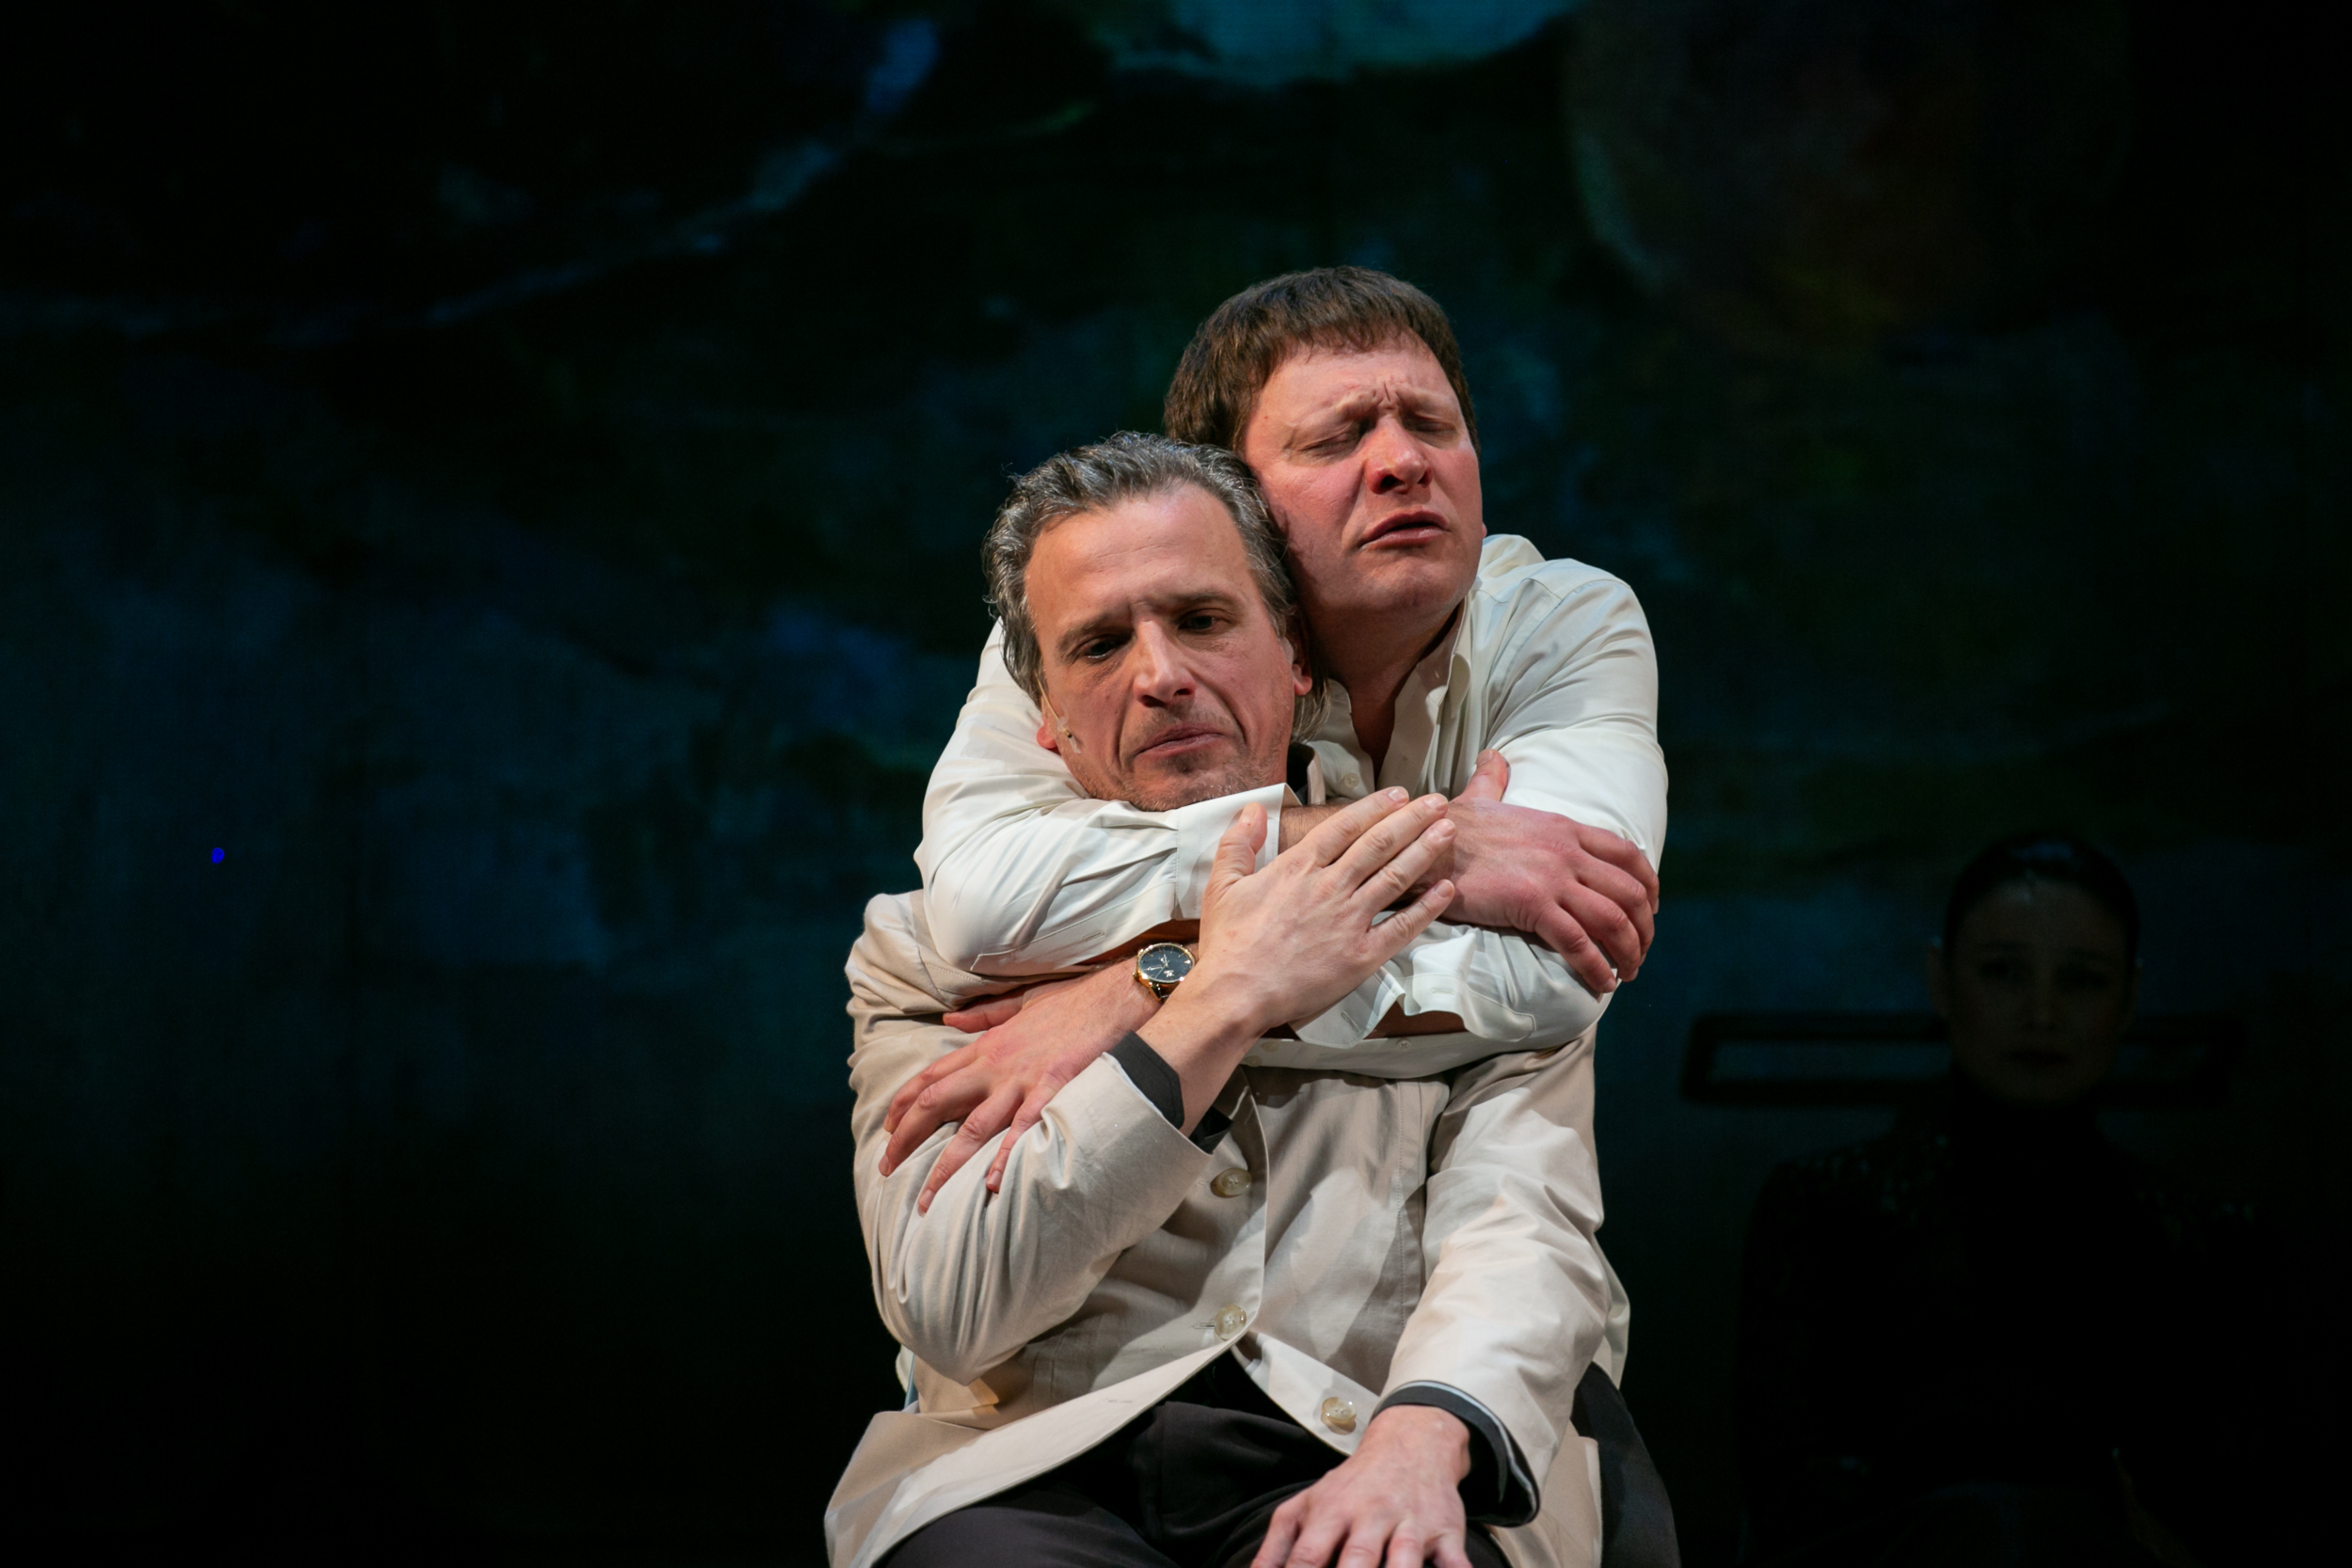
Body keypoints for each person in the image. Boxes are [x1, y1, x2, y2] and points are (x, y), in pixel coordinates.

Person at [827, 436, 1619, 1568]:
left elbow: (1522, 1219)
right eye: (1101, 643)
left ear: (1295, 655)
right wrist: (1218, 992)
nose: (1160, 674)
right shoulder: (930, 955)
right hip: (1031, 1468)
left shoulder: (1473, 896)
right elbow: (955, 1304)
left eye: (1201, 619)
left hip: (1364, 1438)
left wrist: (1421, 1434)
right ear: (1044, 714)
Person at [1734, 833, 2265, 1567]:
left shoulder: (2205, 1241)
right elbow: (1787, 1496)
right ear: (1942, 978)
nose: (2041, 1012)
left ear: (2129, 997)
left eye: (2082, 979)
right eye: (2004, 972)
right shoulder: (1823, 1208)